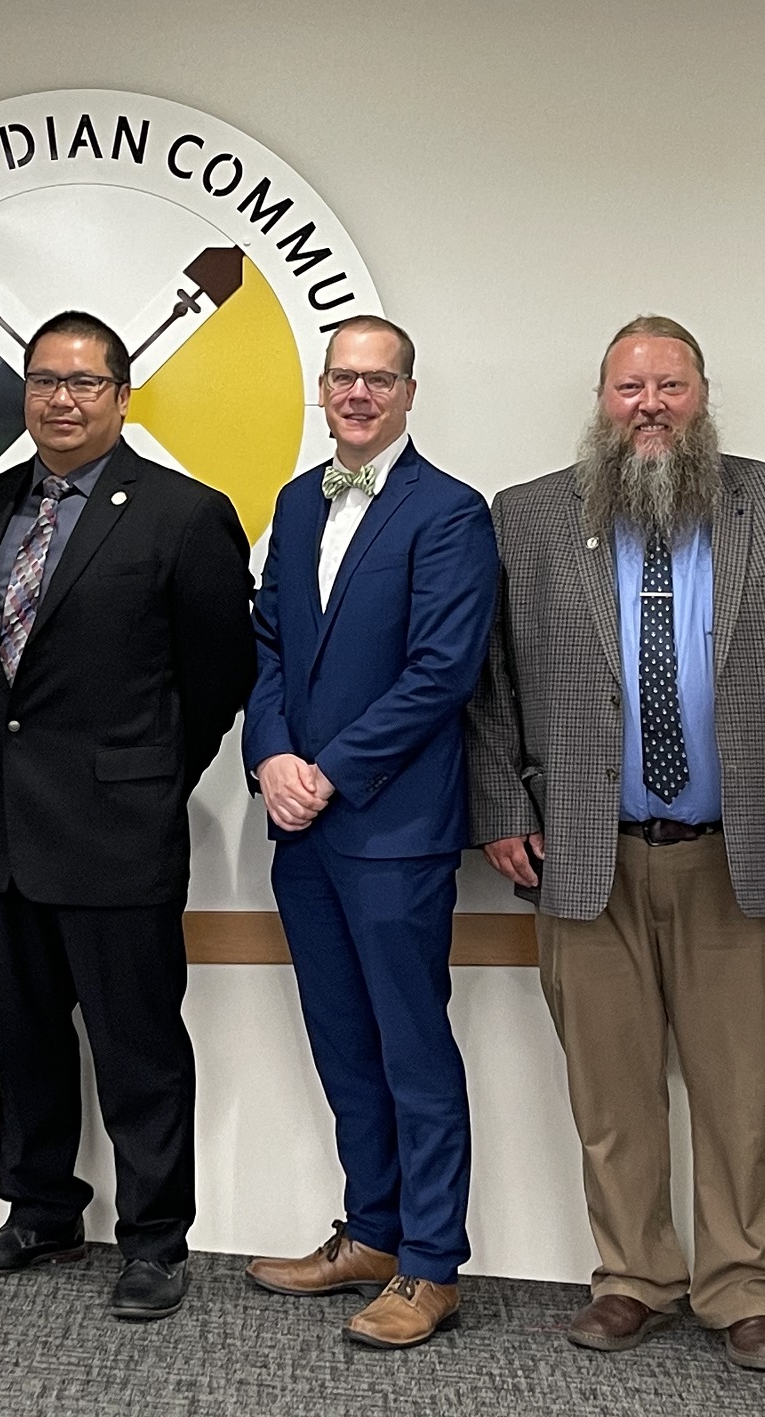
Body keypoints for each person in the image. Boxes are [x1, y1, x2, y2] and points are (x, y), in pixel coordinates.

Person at [467, 316, 765, 1375]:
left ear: (702, 393)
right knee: (610, 1093)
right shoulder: (530, 518)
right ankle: (632, 1277)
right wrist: (504, 805)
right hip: (584, 857)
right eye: (628, 387)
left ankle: (744, 1287)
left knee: (741, 1094)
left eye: (671, 386)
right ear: (601, 400)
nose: (649, 405)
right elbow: (489, 681)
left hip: (737, 858)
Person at [0, 310, 255, 1321]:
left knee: (138, 1046)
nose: (60, 400)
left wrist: (155, 773)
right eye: (43, 381)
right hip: (3, 824)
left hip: (119, 830)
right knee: (21, 1036)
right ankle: (40, 1210)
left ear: (123, 397)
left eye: (82, 383)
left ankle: (156, 1240)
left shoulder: (182, 513)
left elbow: (219, 672)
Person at [239, 315, 498, 1349]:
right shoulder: (298, 503)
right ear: (323, 388)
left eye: (377, 379)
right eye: (343, 377)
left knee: (412, 1050)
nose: (358, 394)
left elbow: (443, 671)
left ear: (407, 393)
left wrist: (330, 771)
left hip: (392, 830)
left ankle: (433, 1265)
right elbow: (267, 648)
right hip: (301, 830)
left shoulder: (450, 513)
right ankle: (375, 1234)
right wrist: (270, 758)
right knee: (344, 1045)